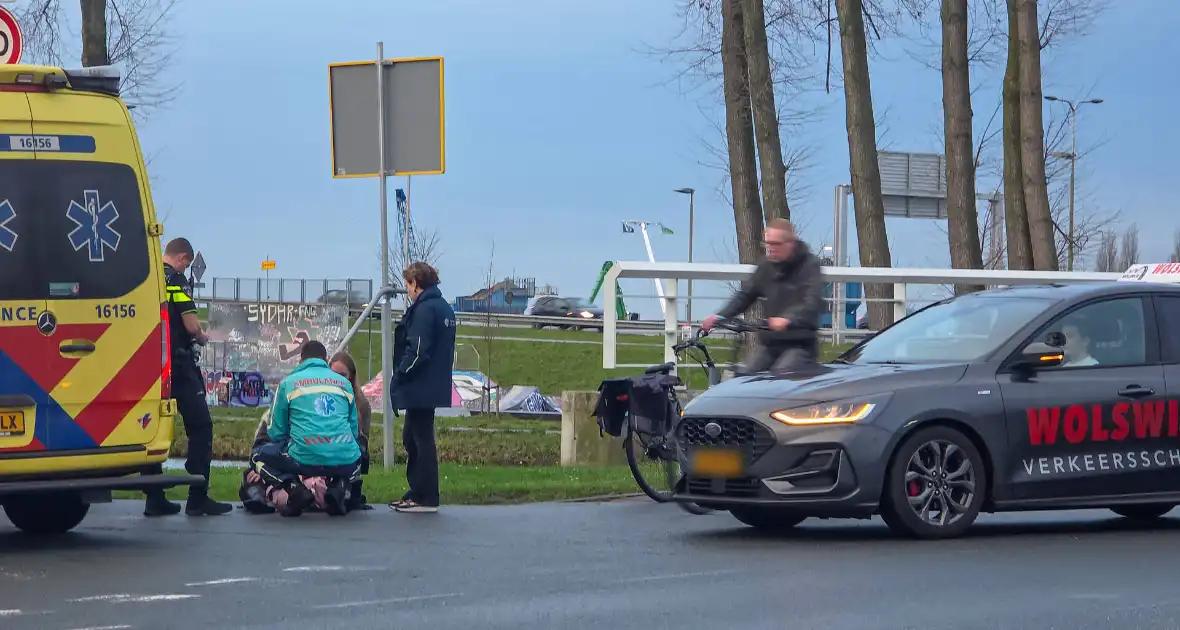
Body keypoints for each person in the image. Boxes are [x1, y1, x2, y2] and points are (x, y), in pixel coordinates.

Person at [144, 237, 233, 517]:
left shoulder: (149, 277)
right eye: (186, 263)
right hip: (179, 365)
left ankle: (154, 497)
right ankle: (197, 496)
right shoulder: (178, 281)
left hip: (150, 365)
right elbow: (191, 323)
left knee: (151, 428)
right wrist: (202, 335)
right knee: (200, 426)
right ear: (183, 258)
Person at [238, 351, 373, 513]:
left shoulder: (355, 404)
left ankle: (294, 492)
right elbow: (268, 437)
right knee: (256, 470)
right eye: (333, 374)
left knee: (353, 457)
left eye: (342, 375)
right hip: (305, 459)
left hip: (322, 463)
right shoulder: (299, 396)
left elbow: (358, 443)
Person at [701, 218, 824, 373]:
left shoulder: (809, 266)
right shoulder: (766, 267)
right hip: (772, 343)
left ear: (791, 244)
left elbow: (811, 302)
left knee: (782, 375)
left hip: (800, 344)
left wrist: (788, 319)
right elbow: (745, 295)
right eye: (767, 243)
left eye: (775, 244)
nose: (770, 248)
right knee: (748, 377)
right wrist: (719, 316)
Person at [389, 261, 456, 514]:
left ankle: (424, 494)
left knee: (419, 439)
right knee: (415, 436)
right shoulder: (444, 308)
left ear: (416, 283)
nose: (407, 289)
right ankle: (419, 491)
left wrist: (401, 374)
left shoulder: (425, 309)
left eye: (408, 284)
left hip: (420, 384)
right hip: (434, 383)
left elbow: (418, 349)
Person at [328, 351, 374, 510]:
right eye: (333, 375)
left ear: (351, 377)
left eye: (342, 375)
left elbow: (363, 441)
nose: (337, 380)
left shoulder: (362, 405)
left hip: (349, 452)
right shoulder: (321, 399)